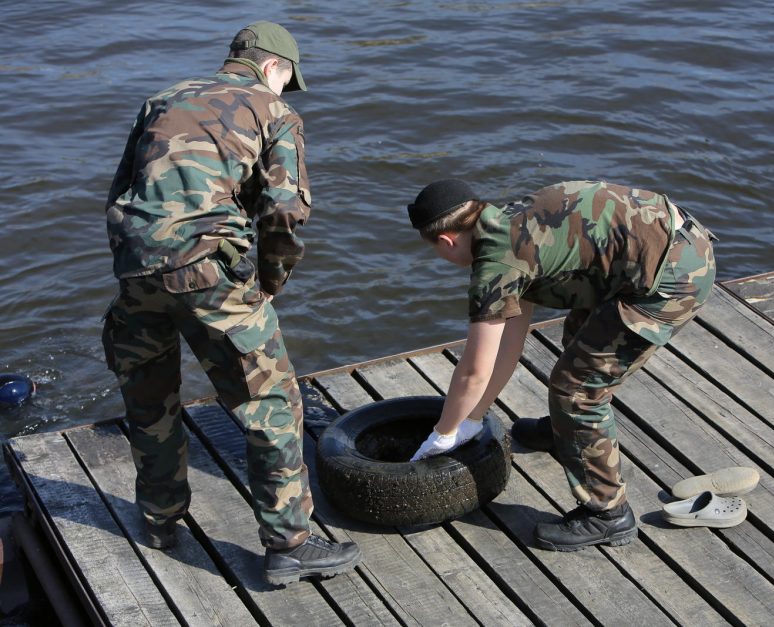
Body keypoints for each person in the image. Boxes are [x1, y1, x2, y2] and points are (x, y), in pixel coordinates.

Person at [101, 21, 360, 585]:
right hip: (211, 273)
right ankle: (290, 544)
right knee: (272, 406)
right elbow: (286, 212)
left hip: (136, 269)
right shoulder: (275, 111)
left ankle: (160, 519)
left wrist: (139, 263)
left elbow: (122, 192)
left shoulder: (161, 100)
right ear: (276, 69)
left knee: (151, 401)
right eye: (287, 80)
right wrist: (269, 281)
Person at [407, 179, 716, 551]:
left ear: (446, 241)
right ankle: (566, 434)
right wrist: (472, 419)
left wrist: (442, 434)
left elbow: (474, 371)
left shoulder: (496, 264)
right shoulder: (506, 222)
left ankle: (607, 514)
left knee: (578, 391)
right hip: (662, 244)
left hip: (674, 276)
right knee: (579, 340)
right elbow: (509, 344)